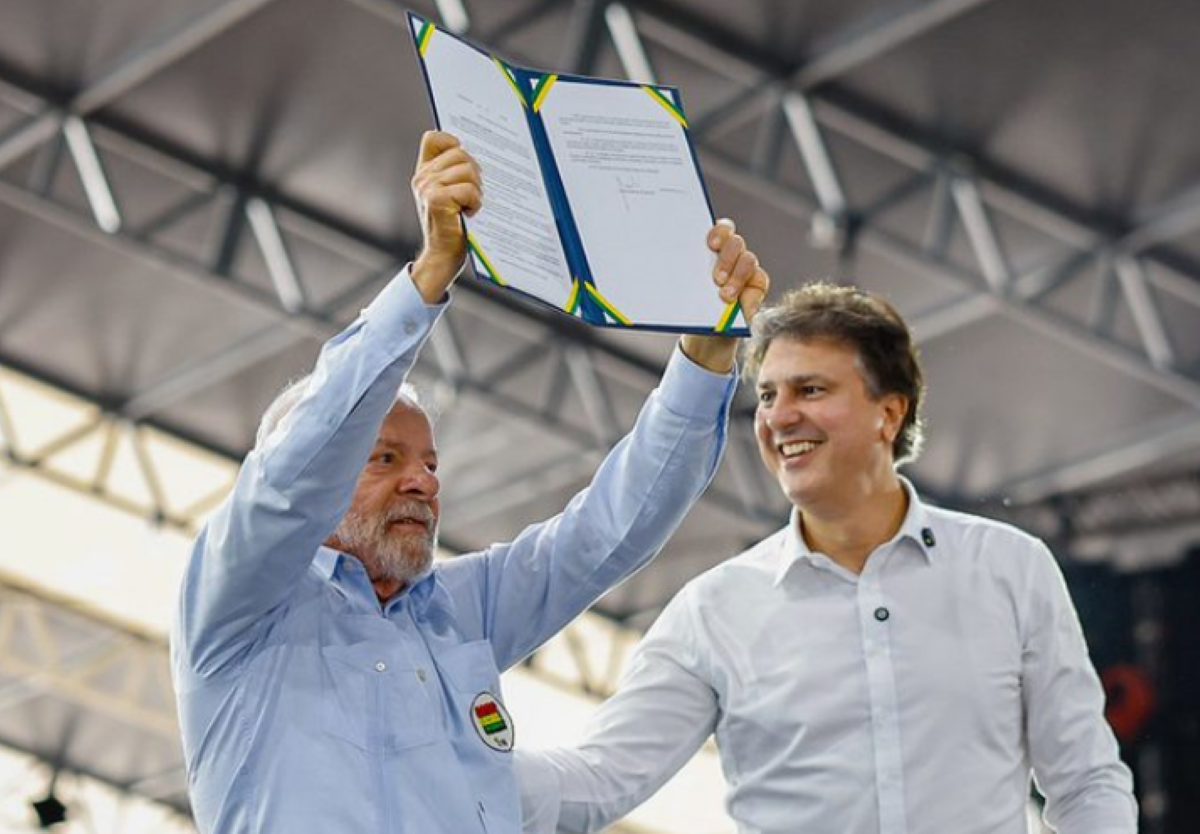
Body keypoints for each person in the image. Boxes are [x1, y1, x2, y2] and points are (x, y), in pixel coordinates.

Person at [169, 130, 770, 834]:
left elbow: (605, 533)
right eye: (385, 458)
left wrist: (703, 356)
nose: (422, 482)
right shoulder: (237, 604)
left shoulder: (458, 612)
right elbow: (291, 480)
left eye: (429, 464)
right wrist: (429, 276)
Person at [517, 282, 1137, 834]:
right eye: (766, 396)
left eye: (809, 390)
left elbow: (1084, 782)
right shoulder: (713, 610)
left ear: (888, 413)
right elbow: (597, 780)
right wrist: (445, 760)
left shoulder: (1010, 568)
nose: (780, 417)